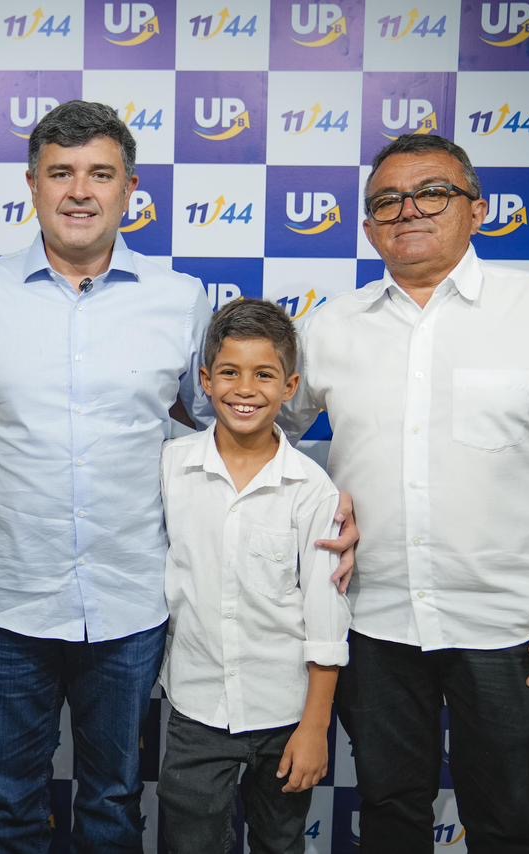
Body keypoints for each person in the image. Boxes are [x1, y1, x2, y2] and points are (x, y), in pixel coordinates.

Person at [0, 101, 355, 852]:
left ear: (130, 189)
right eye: (60, 173)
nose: (79, 191)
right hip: (8, 594)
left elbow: (222, 425)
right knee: (10, 799)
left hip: (130, 599)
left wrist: (316, 502)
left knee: (113, 800)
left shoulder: (179, 299)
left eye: (100, 174)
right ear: (32, 185)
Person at [280, 133, 529, 854]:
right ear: (368, 227)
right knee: (389, 819)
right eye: (387, 201)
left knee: (508, 827)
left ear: (477, 209)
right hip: (372, 624)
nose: (409, 209)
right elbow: (264, 435)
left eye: (433, 193)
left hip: (512, 628)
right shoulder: (329, 326)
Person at [157, 298, 350, 854]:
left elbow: (326, 617)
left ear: (290, 387)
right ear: (205, 381)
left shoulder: (312, 489)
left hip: (285, 711)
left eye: (264, 375)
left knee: (280, 842)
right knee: (189, 844)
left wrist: (315, 726)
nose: (245, 389)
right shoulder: (171, 466)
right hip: (196, 707)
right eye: (229, 373)